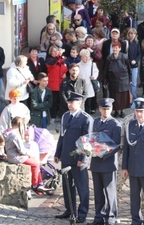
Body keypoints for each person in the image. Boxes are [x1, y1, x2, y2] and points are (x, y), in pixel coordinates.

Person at [55, 92, 93, 222]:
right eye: (68, 102)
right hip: (66, 155)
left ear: (80, 103)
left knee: (81, 186)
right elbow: (62, 135)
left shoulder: (86, 118)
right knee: (67, 185)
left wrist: (83, 159)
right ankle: (70, 209)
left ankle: (82, 213)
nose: (69, 105)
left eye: (72, 102)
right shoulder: (65, 116)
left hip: (78, 158)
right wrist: (57, 153)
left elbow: (87, 141)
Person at [90, 98, 122, 225]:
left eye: (108, 109)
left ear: (111, 109)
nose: (105, 111)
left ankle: (111, 217)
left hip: (107, 162)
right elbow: (91, 138)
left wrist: (103, 154)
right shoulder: (96, 122)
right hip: (96, 162)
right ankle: (98, 216)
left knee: (110, 192)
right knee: (98, 192)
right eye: (103, 109)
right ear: (99, 109)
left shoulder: (115, 124)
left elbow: (116, 145)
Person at [103, 42, 132, 117]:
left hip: (124, 79)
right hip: (113, 80)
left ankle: (122, 111)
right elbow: (105, 70)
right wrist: (105, 81)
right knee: (114, 96)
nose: (115, 49)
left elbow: (129, 69)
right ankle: (116, 111)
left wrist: (130, 79)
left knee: (123, 96)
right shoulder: (109, 58)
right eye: (114, 47)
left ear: (120, 48)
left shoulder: (124, 57)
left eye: (117, 48)